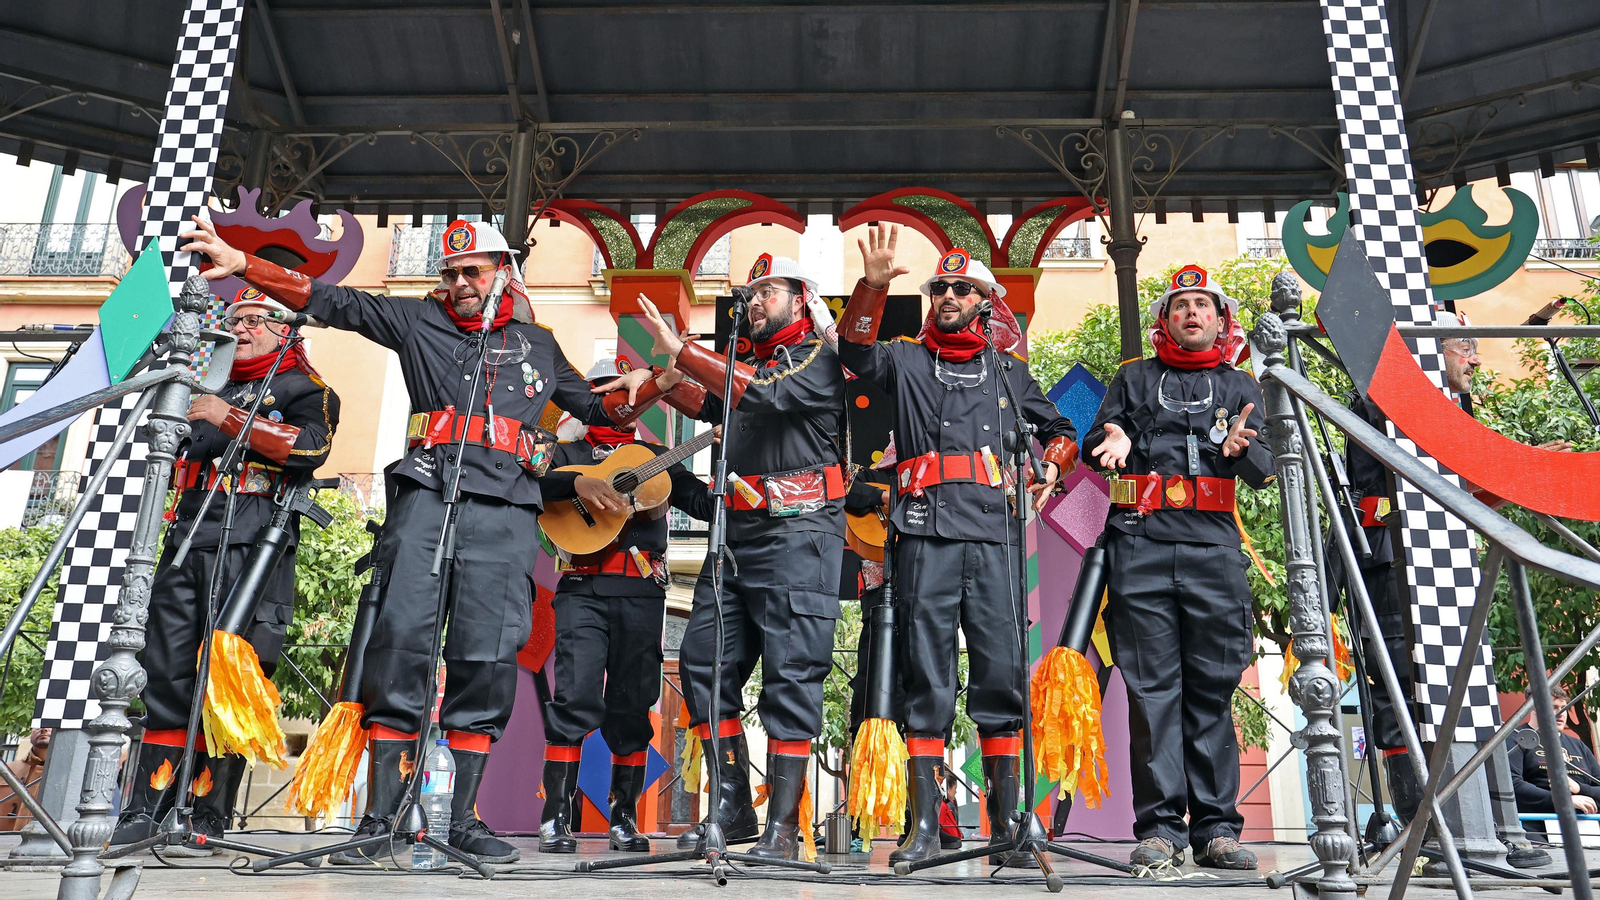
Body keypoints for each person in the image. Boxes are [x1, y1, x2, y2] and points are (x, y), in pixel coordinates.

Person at [178, 217, 672, 865]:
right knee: (400, 649)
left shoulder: (540, 345)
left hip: (504, 515)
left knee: (487, 654)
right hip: (424, 503)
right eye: (453, 273)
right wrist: (242, 261)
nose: (462, 283)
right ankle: (380, 820)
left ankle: (462, 819)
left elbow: (599, 411)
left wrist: (655, 383)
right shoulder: (417, 321)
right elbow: (330, 300)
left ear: (504, 273)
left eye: (475, 271)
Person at [836, 226, 1077, 866]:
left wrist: (1050, 465)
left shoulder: (1010, 371)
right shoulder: (905, 358)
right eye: (940, 287)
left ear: (984, 303)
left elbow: (1061, 429)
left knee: (1001, 673)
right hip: (922, 533)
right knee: (927, 676)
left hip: (994, 538)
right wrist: (874, 285)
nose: (947, 295)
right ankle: (923, 826)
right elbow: (854, 353)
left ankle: (1006, 827)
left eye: (961, 288)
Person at [614, 254, 848, 862]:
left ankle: (785, 829)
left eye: (768, 291)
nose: (753, 299)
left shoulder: (823, 357)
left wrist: (686, 352)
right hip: (736, 537)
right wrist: (663, 378)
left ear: (801, 299)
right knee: (701, 663)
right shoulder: (746, 366)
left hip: (801, 537)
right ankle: (734, 807)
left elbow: (762, 397)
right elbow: (711, 400)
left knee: (791, 679)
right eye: (750, 291)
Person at [109, 291, 339, 855]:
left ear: (286, 330)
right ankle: (149, 806)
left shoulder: (309, 390)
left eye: (256, 320)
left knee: (232, 681)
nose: (243, 329)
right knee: (164, 672)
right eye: (235, 320)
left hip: (255, 543)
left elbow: (312, 449)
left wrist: (228, 417)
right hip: (187, 536)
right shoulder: (202, 385)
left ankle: (209, 812)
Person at [1339, 308, 1564, 867]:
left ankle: (1498, 823)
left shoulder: (1456, 406)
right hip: (1391, 559)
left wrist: (1518, 479)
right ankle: (1427, 826)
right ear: (1427, 349)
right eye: (1464, 345)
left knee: (1474, 687)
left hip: (1451, 558)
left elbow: (1466, 491)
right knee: (1405, 689)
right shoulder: (1380, 396)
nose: (1476, 358)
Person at [1083, 265, 1273, 871]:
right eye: (1180, 305)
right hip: (1139, 547)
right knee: (1150, 693)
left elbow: (1267, 468)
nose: (1192, 313)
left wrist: (1245, 451)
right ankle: (1160, 830)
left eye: (1203, 305)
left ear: (1220, 319)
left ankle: (1218, 830)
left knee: (1213, 690)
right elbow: (1098, 439)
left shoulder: (1242, 385)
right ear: (1164, 320)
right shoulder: (1133, 379)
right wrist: (1109, 440)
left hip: (1214, 552)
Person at [538, 359, 716, 854]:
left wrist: (728, 460)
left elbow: (701, 503)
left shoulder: (655, 456)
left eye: (628, 394)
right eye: (607, 393)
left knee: (633, 704)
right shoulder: (565, 450)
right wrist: (577, 484)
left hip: (641, 594)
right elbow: (530, 486)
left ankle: (624, 819)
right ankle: (555, 816)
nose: (621, 402)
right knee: (573, 699)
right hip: (581, 590)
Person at [1509, 683, 1600, 837]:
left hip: (1588, 827)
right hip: (1537, 827)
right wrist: (1562, 800)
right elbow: (1513, 785)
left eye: (1564, 707)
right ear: (1533, 708)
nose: (1561, 713)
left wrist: (1579, 788)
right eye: (1553, 707)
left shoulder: (1578, 745)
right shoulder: (1516, 738)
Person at [1, 728, 49, 832]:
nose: (44, 729)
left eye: (51, 725)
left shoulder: (72, 774)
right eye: (37, 726)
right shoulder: (6, 770)